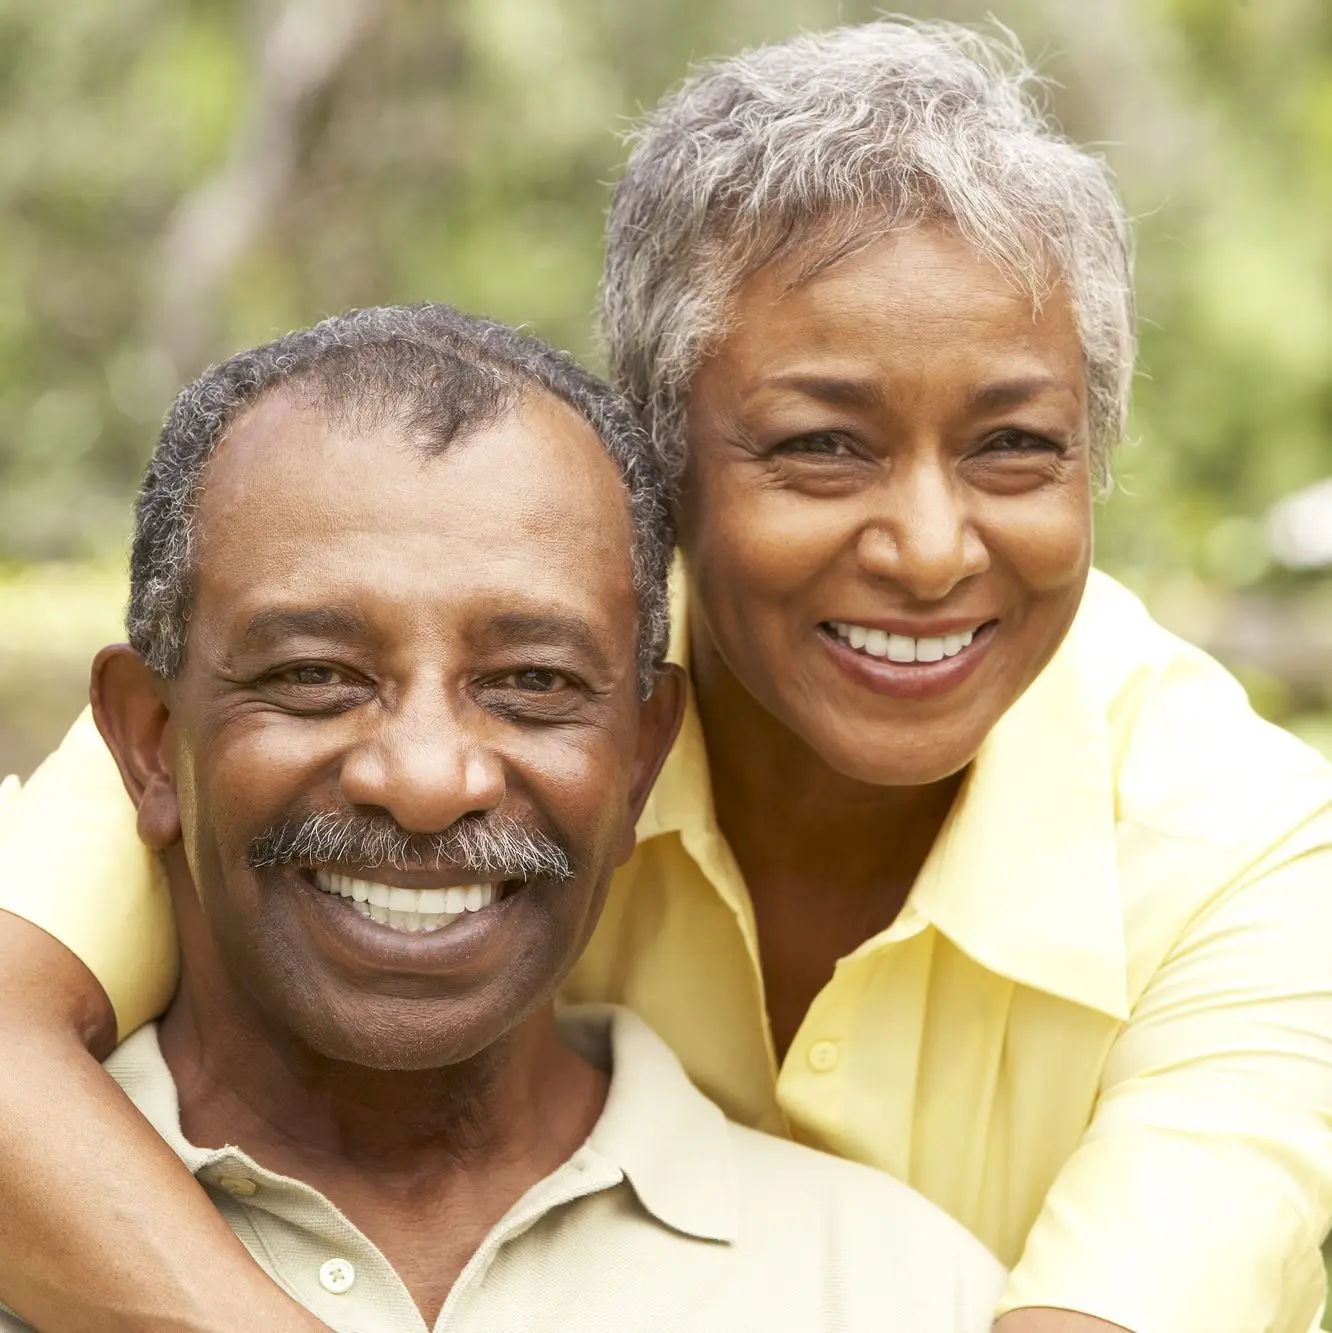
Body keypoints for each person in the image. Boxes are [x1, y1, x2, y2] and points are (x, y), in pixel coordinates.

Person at [1, 18, 1330, 1333]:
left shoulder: (1258, 867)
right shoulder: (442, 686)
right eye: (821, 444)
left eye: (1015, 447)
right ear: (654, 462)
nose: (931, 551)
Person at [0, 304, 1006, 1333]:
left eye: (532, 680)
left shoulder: (901, 1291)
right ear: (149, 739)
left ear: (640, 758)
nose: (429, 780)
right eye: (313, 674)